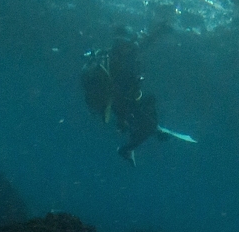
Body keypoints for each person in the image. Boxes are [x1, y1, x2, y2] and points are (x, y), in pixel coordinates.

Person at [82, 32, 195, 164]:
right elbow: (120, 89)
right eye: (128, 46)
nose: (131, 49)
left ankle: (139, 138)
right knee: (149, 122)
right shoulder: (116, 62)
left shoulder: (111, 58)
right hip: (120, 102)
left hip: (117, 102)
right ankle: (132, 144)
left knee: (146, 112)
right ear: (122, 45)